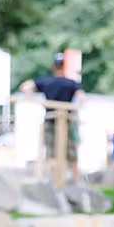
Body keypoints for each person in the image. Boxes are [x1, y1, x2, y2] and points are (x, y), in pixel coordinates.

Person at [19, 53, 84, 182]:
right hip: (67, 122)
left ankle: (55, 182)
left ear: (54, 66)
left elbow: (25, 87)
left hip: (50, 120)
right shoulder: (71, 83)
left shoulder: (46, 81)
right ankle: (76, 183)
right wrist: (73, 108)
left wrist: (36, 99)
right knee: (72, 155)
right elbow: (81, 97)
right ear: (64, 67)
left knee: (51, 154)